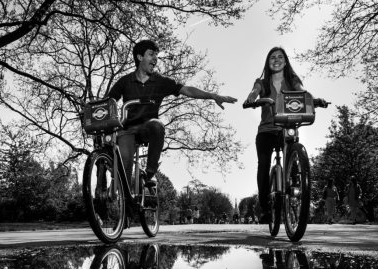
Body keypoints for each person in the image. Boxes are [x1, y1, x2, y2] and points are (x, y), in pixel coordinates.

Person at [108, 40, 237, 188]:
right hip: (127, 129)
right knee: (124, 167)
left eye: (157, 55)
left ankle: (149, 174)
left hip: (147, 127)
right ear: (139, 57)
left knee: (157, 125)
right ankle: (125, 203)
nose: (155, 58)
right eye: (151, 54)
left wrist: (212, 95)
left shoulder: (161, 81)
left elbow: (187, 90)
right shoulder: (125, 81)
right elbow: (108, 102)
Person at [245, 47, 326, 224]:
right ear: (268, 62)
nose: (276, 60)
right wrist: (252, 97)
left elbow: (303, 91)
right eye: (272, 57)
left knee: (294, 150)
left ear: (285, 61)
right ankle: (266, 208)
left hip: (286, 128)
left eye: (280, 57)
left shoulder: (292, 80)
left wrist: (313, 99)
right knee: (264, 164)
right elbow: (254, 91)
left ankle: (294, 181)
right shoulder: (262, 81)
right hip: (266, 130)